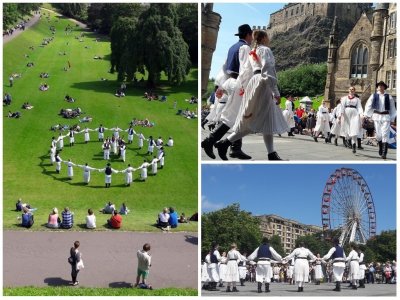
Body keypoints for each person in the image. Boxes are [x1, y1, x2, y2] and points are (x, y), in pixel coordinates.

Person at [215, 30, 288, 160]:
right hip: (262, 82)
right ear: (264, 37)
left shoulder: (252, 52)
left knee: (266, 119)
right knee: (256, 118)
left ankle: (271, 153)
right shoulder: (265, 50)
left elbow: (245, 72)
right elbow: (268, 69)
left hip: (254, 82)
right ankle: (225, 143)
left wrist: (244, 87)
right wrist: (275, 91)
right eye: (268, 37)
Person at [201, 24, 253, 161]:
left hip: (230, 81)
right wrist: (245, 86)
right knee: (232, 117)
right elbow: (245, 69)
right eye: (251, 35)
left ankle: (235, 148)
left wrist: (221, 86)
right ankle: (210, 141)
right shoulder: (245, 47)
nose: (252, 38)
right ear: (248, 34)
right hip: (239, 83)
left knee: (239, 117)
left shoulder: (232, 47)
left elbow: (224, 68)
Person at [364, 81, 397, 159]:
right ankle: (380, 147)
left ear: (384, 87)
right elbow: (368, 105)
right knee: (379, 135)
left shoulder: (389, 97)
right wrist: (366, 115)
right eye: (379, 86)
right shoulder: (373, 96)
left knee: (385, 134)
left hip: (386, 116)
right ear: (377, 87)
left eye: (382, 86)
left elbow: (393, 109)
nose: (380, 87)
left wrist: (392, 118)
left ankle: (384, 152)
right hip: (377, 116)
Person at [339, 86, 363, 153]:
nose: (351, 90)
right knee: (347, 130)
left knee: (354, 129)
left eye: (353, 89)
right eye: (350, 89)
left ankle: (354, 145)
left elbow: (359, 107)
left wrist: (361, 115)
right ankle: (348, 140)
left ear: (354, 91)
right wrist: (341, 115)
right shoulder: (344, 98)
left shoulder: (357, 99)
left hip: (354, 114)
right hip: (346, 114)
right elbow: (342, 107)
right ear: (348, 90)